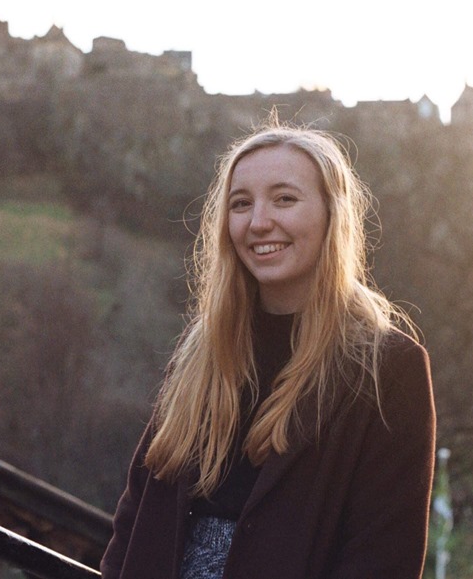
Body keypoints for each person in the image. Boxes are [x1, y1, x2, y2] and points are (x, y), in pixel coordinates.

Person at [101, 122, 436, 579]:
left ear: (331, 215)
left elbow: (382, 557)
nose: (258, 222)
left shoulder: (387, 368)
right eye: (241, 204)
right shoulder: (203, 351)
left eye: (284, 199)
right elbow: (134, 514)